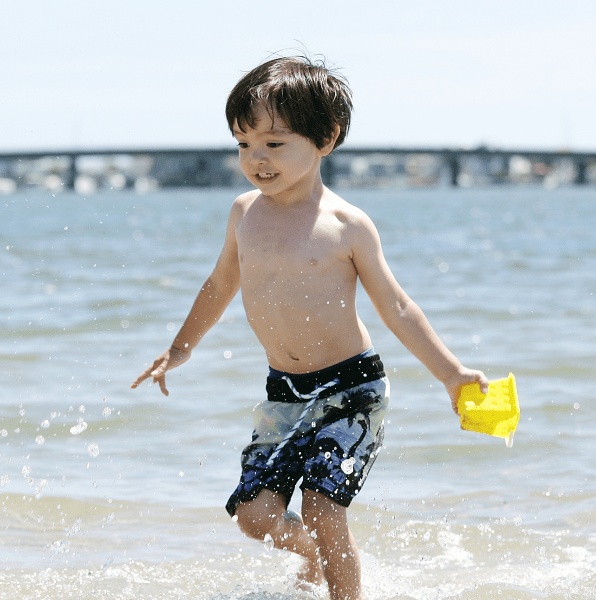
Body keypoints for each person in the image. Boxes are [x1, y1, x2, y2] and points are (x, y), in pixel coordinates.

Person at [131, 55, 488, 600]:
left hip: (352, 388)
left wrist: (451, 373)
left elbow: (397, 306)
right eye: (244, 145)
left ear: (326, 138)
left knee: (324, 509)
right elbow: (219, 285)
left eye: (274, 144)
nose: (257, 159)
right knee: (254, 515)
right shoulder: (243, 213)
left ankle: (346, 592)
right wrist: (178, 350)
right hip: (285, 392)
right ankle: (317, 562)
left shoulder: (346, 225)